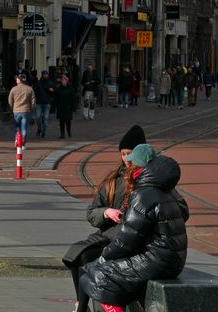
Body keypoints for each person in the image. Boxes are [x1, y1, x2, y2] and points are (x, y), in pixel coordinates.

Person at [79, 143, 189, 312]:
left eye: (131, 162)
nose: (127, 165)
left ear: (139, 167)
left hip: (157, 260)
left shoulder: (144, 194)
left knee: (96, 276)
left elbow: (128, 238)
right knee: (93, 269)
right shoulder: (165, 190)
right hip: (170, 259)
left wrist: (106, 255)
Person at [63, 125, 145, 312]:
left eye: (130, 154)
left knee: (89, 259)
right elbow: (92, 212)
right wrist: (106, 212)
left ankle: (83, 308)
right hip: (107, 236)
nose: (126, 159)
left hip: (128, 241)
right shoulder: (113, 180)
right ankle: (81, 303)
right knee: (77, 254)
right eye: (123, 154)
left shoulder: (147, 179)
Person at [8, 73, 36, 147]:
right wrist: (32, 110)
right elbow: (33, 101)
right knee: (24, 127)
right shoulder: (30, 89)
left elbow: (10, 101)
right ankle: (22, 144)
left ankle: (17, 139)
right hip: (26, 111)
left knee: (17, 127)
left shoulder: (13, 89)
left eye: (17, 79)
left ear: (20, 80)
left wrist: (11, 108)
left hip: (16, 111)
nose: (16, 80)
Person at [35, 70, 55, 138]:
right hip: (39, 102)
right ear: (42, 75)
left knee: (46, 118)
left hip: (47, 103)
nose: (45, 75)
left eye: (46, 74)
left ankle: (43, 132)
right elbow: (35, 91)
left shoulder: (50, 83)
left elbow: (54, 91)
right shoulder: (38, 83)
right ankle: (39, 129)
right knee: (38, 117)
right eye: (44, 74)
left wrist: (52, 91)